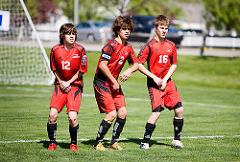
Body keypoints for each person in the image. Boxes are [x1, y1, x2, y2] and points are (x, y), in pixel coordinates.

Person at [137, 15, 184, 149]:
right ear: (155, 28)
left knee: (179, 110)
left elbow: (174, 64)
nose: (164, 30)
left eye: (166, 28)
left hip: (167, 82)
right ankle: (145, 142)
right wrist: (155, 78)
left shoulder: (171, 45)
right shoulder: (149, 45)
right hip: (154, 84)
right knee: (156, 112)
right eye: (161, 28)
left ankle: (176, 140)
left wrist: (164, 79)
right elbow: (139, 64)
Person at [92, 16, 138, 151]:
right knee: (111, 114)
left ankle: (114, 142)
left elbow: (136, 64)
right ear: (118, 30)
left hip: (114, 84)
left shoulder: (128, 47)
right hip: (102, 82)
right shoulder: (110, 46)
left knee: (122, 112)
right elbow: (102, 65)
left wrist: (129, 70)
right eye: (124, 29)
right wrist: (113, 80)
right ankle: (97, 143)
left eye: (129, 29)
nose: (127, 31)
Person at [47, 23, 88, 151]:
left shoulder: (81, 50)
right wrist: (61, 82)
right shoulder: (55, 50)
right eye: (68, 33)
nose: (72, 36)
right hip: (60, 85)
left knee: (72, 117)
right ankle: (52, 142)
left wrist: (69, 82)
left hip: (75, 86)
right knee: (52, 115)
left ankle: (73, 143)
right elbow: (54, 69)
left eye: (73, 33)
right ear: (62, 35)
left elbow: (82, 71)